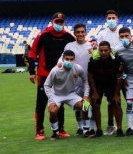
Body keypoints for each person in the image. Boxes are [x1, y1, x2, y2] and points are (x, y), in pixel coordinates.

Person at [28, 12, 75, 140]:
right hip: (44, 74)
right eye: (57, 21)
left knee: (60, 103)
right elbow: (32, 54)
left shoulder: (68, 37)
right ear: (52, 22)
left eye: (61, 22)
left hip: (60, 76)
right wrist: (32, 72)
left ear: (64, 23)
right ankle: (39, 130)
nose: (59, 24)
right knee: (41, 103)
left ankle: (60, 129)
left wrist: (92, 43)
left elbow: (79, 45)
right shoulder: (43, 35)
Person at [44, 50, 91, 140]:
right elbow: (47, 85)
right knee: (53, 111)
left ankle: (86, 131)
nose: (69, 61)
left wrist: (86, 95)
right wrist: (52, 100)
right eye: (67, 59)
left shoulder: (78, 68)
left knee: (86, 105)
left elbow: (85, 81)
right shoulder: (55, 71)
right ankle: (55, 132)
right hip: (56, 95)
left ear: (74, 60)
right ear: (63, 59)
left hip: (71, 94)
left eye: (71, 59)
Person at [87, 41, 125, 138]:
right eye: (101, 50)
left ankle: (120, 129)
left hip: (112, 84)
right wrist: (94, 93)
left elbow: (119, 78)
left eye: (106, 50)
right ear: (98, 51)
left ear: (110, 50)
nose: (103, 52)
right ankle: (99, 129)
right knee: (95, 104)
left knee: (116, 103)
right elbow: (90, 77)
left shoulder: (117, 60)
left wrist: (116, 94)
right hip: (98, 84)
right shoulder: (93, 60)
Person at [61, 23, 94, 135]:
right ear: (74, 33)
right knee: (78, 106)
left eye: (82, 32)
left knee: (89, 105)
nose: (80, 34)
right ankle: (80, 128)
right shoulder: (69, 46)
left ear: (85, 32)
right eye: (78, 32)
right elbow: (62, 59)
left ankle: (90, 128)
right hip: (73, 81)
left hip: (88, 81)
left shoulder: (91, 46)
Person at [94, 10, 122, 135]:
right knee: (104, 101)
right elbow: (100, 51)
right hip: (105, 71)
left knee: (121, 100)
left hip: (121, 68)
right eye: (109, 18)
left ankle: (131, 125)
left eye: (113, 17)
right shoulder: (102, 34)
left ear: (117, 19)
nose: (111, 20)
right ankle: (107, 125)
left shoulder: (122, 31)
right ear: (106, 20)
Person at [115, 27, 133, 136]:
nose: (124, 38)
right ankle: (130, 128)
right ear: (119, 38)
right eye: (122, 37)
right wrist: (123, 77)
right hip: (129, 80)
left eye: (126, 36)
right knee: (129, 104)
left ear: (131, 36)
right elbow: (117, 64)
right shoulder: (118, 50)